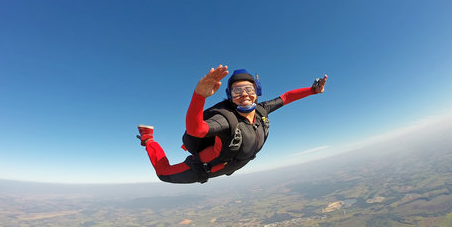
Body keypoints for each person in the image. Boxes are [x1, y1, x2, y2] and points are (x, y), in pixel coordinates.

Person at [137, 65, 327, 184]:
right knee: (163, 173)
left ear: (257, 91)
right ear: (230, 96)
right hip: (207, 167)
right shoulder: (227, 119)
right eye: (237, 91)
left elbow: (285, 97)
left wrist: (312, 90)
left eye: (248, 89)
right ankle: (148, 138)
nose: (244, 94)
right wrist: (199, 96)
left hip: (232, 163)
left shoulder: (261, 110)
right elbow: (196, 129)